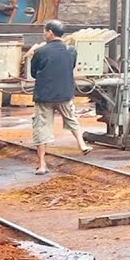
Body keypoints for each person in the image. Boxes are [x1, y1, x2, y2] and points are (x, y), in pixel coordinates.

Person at [29, 19, 91, 174]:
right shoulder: (71, 50)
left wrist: (30, 55)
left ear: (50, 32)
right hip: (65, 93)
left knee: (41, 128)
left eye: (45, 31)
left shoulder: (41, 52)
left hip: (45, 95)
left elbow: (33, 73)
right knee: (71, 118)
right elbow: (71, 66)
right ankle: (82, 144)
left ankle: (42, 165)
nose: (44, 34)